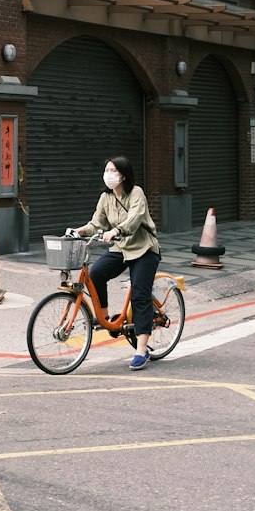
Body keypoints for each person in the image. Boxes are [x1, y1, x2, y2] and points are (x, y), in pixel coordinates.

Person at [68, 156, 161, 371]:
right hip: (120, 248)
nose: (108, 174)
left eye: (113, 170)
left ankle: (141, 350)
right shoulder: (105, 197)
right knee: (96, 273)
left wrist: (117, 230)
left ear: (123, 175)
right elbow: (96, 223)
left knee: (139, 294)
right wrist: (79, 231)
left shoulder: (136, 193)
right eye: (106, 169)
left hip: (144, 248)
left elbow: (134, 220)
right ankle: (105, 317)